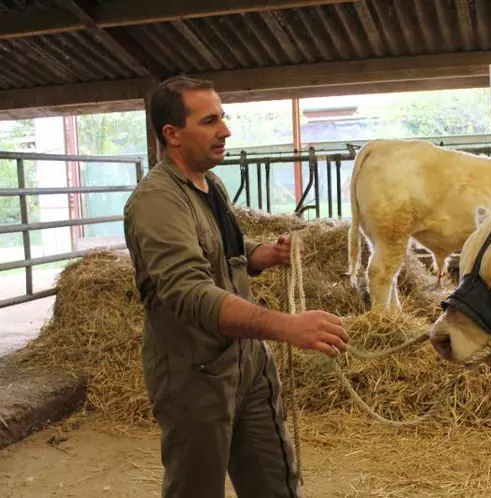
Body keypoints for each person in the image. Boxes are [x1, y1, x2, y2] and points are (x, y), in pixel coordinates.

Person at [123, 75, 349, 498]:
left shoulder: (211, 185)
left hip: (246, 362)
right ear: (172, 134)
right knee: (197, 488)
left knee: (275, 480)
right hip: (195, 373)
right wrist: (286, 326)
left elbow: (224, 247)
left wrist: (262, 254)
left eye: (222, 118)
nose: (225, 130)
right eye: (210, 121)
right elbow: (189, 292)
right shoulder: (157, 201)